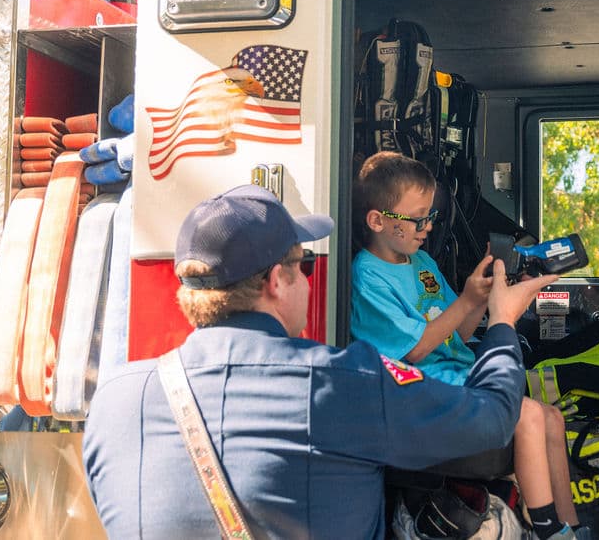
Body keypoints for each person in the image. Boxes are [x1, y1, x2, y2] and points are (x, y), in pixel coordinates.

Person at [82, 184, 557, 540]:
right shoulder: (344, 382)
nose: (310, 280)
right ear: (276, 281)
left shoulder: (115, 401)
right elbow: (494, 419)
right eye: (304, 265)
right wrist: (502, 322)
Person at [350, 152, 583, 539]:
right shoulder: (368, 276)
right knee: (526, 415)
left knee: (551, 417)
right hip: (416, 390)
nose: (427, 227)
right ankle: (546, 528)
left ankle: (570, 525)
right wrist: (463, 303)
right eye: (418, 218)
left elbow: (455, 334)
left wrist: (477, 298)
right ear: (377, 220)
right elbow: (415, 351)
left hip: (455, 376)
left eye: (431, 217)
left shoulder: (422, 262)